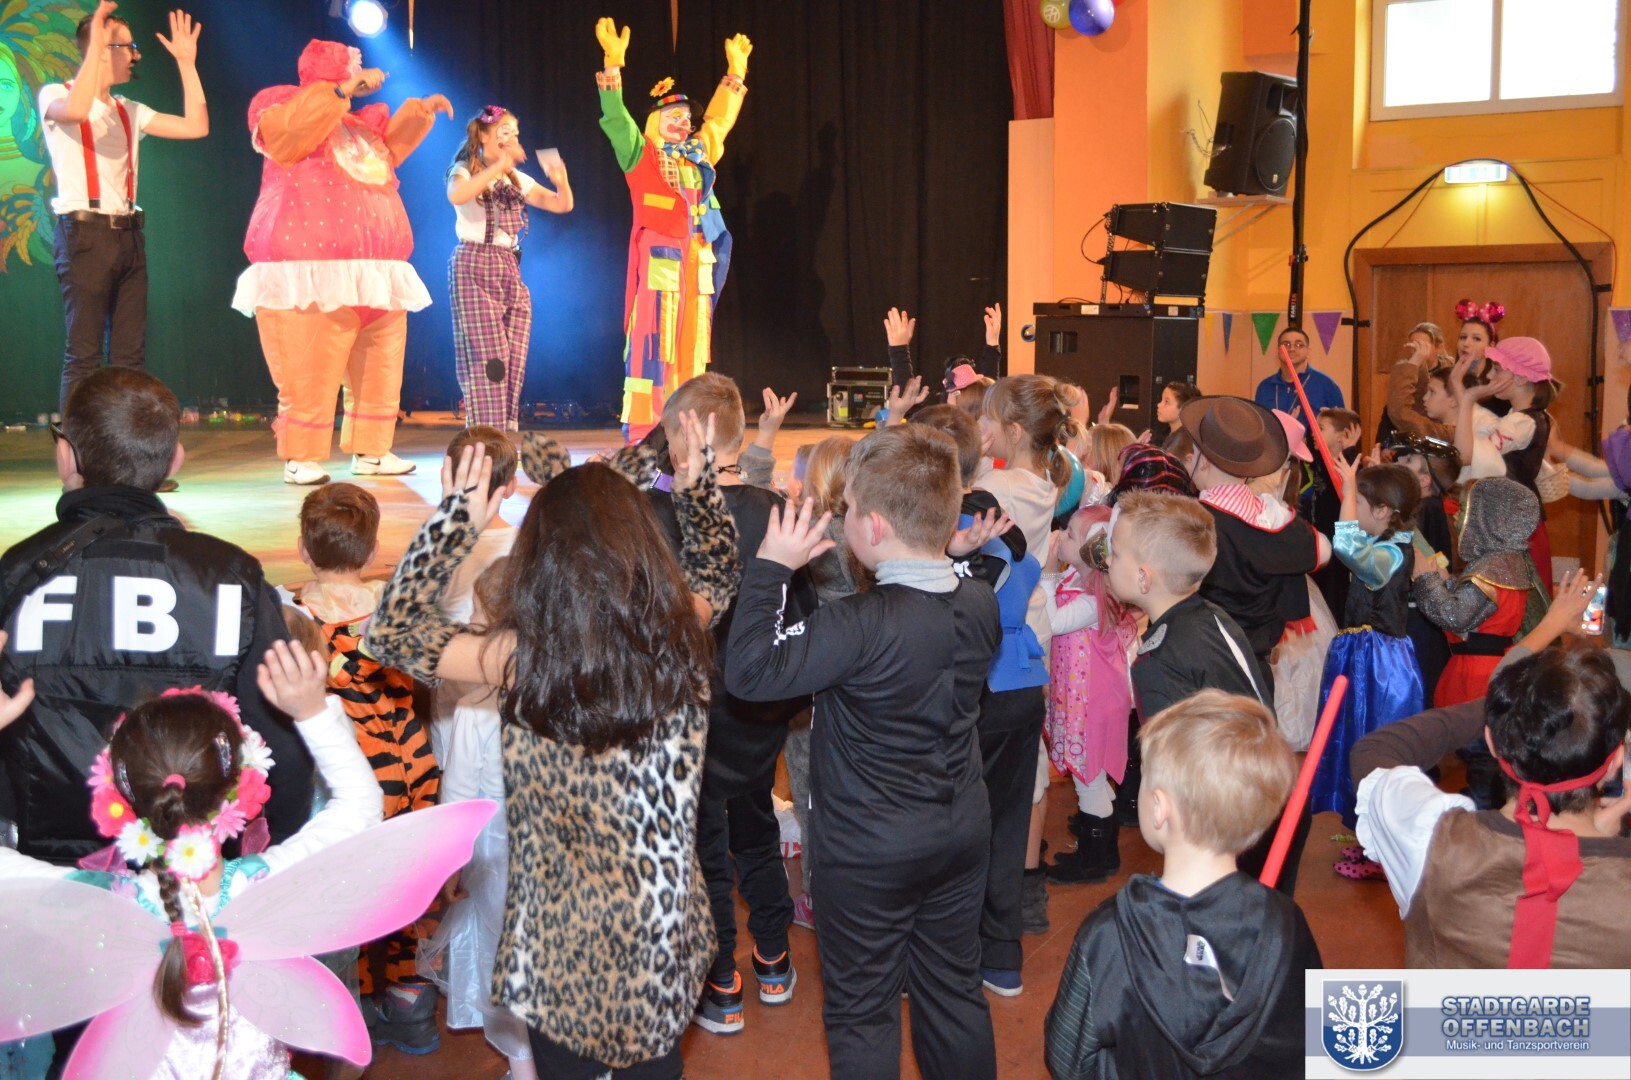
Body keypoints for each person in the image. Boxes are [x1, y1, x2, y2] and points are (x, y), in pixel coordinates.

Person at [363, 419, 738, 1079]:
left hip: (559, 944)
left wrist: (455, 521)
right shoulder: (681, 637)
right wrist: (698, 486)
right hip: (660, 929)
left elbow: (390, 632)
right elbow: (717, 570)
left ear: (539, 558)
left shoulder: (522, 659)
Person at [725, 424, 1002, 1080]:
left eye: (847, 507)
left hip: (869, 850)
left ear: (873, 527)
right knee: (953, 992)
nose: (842, 517)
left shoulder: (857, 624)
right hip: (961, 831)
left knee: (861, 1012)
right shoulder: (979, 602)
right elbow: (933, 604)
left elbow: (749, 672)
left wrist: (771, 569)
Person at [0, 642, 387, 1079]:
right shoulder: (270, 886)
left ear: (119, 797)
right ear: (241, 782)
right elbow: (361, 805)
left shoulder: (102, 906)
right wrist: (313, 713)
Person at [0, 368, 312, 868]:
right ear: (175, 459)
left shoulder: (16, 574)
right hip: (191, 875)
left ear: (65, 455)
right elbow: (284, 751)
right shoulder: (230, 577)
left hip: (39, 875)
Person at [643, 374, 813, 1037]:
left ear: (681, 438)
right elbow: (800, 617)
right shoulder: (775, 510)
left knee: (704, 849)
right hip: (756, 712)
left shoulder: (653, 515)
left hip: (683, 713)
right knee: (756, 829)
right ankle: (772, 959)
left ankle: (721, 982)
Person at [1044, 690, 1319, 1079]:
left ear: (1159, 807)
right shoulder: (1284, 923)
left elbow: (1067, 1059)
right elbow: (1307, 1041)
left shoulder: (1109, 935)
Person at [1353, 585, 1631, 968]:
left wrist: (1503, 710)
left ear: (1494, 743)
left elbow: (1375, 750)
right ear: (1616, 762)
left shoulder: (1432, 840)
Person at [232, 39, 453, 486]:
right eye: (351, 68)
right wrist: (339, 92)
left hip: (376, 270)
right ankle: (301, 455)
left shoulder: (357, 125)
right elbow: (286, 137)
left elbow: (388, 154)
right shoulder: (285, 105)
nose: (361, 73)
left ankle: (372, 449)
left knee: (380, 365)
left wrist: (419, 113)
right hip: (312, 268)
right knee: (309, 365)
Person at [288, 482, 442, 1052]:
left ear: (303, 549)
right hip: (409, 764)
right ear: (374, 550)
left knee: (345, 890)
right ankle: (409, 1004)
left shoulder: (293, 614)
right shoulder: (397, 609)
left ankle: (349, 1007)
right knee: (403, 882)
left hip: (344, 773)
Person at [40, 3, 207, 412]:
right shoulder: (55, 95)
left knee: (129, 356)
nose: (136, 54)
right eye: (127, 47)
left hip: (129, 236)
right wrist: (98, 30)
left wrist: (187, 64)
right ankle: (76, 450)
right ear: (100, 50)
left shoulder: (129, 109)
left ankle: (126, 446)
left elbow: (196, 126)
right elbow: (76, 110)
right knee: (83, 353)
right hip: (84, 237)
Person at [594, 18, 751, 440]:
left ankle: (688, 427)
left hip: (697, 262)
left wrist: (735, 75)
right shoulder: (641, 155)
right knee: (653, 346)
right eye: (674, 115)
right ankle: (646, 431)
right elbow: (616, 119)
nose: (684, 122)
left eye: (686, 117)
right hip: (660, 262)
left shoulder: (697, 154)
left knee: (693, 350)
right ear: (655, 121)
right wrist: (613, 66)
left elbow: (718, 122)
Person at [973, 374, 1079, 995]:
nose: (980, 428)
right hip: (1030, 651)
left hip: (989, 652)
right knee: (1019, 795)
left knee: (973, 803)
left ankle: (961, 942)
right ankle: (1003, 948)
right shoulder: (1047, 482)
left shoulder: (995, 488)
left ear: (1014, 432)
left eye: (988, 420)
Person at [417, 560, 536, 1080]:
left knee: (501, 958)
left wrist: (449, 868)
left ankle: (525, 1069)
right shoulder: (566, 692)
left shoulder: (475, 706)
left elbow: (459, 795)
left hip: (494, 850)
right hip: (549, 846)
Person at [1309, 459, 1423, 878]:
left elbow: (1347, 547)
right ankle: (1363, 830)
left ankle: (1379, 850)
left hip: (1379, 666)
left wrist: (1348, 487)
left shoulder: (1391, 555)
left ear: (1383, 511)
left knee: (1374, 742)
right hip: (1363, 657)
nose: (1352, 508)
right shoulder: (1387, 546)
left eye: (1357, 502)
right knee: (1353, 738)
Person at [447, 105, 573, 432]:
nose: (513, 138)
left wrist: (561, 182)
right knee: (491, 356)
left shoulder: (516, 179)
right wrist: (497, 167)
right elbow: (457, 196)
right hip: (473, 264)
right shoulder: (464, 169)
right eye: (505, 131)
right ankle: (485, 431)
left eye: (515, 133)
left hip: (507, 265)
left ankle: (499, 431)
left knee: (513, 354)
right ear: (483, 135)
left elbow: (561, 204)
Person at [1040, 506, 1138, 885]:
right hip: (1082, 700)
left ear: (1090, 551)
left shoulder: (1092, 600)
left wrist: (1049, 572)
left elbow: (1052, 622)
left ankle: (1093, 861)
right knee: (1092, 779)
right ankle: (1104, 852)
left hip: (1089, 706)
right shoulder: (1077, 581)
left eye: (1069, 534)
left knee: (1090, 781)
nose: (1060, 536)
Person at [1412, 477, 1545, 708]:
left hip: (1475, 676)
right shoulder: (1506, 561)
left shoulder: (1492, 568)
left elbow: (1455, 616)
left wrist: (1427, 580)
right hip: (1489, 667)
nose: (1457, 515)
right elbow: (1477, 609)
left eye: (1466, 509)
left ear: (1488, 518)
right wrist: (1448, 583)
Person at [1453, 336, 1559, 594]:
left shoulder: (1521, 424)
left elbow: (1465, 454)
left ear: (1520, 378)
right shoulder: (1517, 419)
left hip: (1518, 529)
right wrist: (1459, 388)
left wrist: (1468, 398)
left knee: (1520, 601)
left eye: (1497, 369)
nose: (1490, 376)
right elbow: (1475, 425)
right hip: (1512, 524)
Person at [884, 302, 1004, 403]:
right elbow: (989, 398)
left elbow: (908, 403)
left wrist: (899, 351)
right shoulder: (985, 413)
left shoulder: (930, 422)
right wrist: (992, 343)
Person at [1380, 321, 1452, 443]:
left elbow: (1401, 411)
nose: (1418, 351)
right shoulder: (1409, 374)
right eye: (1413, 345)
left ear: (1439, 348)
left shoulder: (1448, 377)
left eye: (1423, 345)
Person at [1253, 325, 1343, 422]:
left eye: (1299, 345)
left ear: (1308, 352)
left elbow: (1341, 425)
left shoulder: (1326, 385)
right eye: (1286, 344)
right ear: (1278, 351)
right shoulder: (1265, 387)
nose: (1292, 349)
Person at [1151, 379, 1200, 445]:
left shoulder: (1189, 444)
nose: (1159, 405)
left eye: (1166, 402)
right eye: (1161, 400)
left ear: (1184, 408)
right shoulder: (1160, 437)